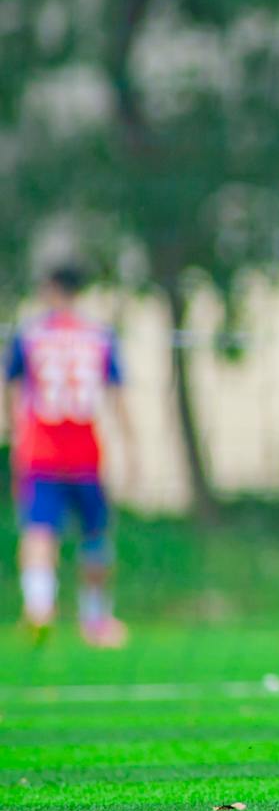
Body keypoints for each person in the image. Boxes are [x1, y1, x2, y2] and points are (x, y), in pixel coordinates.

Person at [10, 264, 136, 647]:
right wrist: (132, 448)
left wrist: (14, 438)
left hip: (40, 452)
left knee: (38, 532)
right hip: (85, 452)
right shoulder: (99, 336)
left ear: (50, 289)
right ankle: (96, 619)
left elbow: (11, 391)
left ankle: (39, 609)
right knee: (95, 535)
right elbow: (117, 397)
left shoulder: (29, 335)